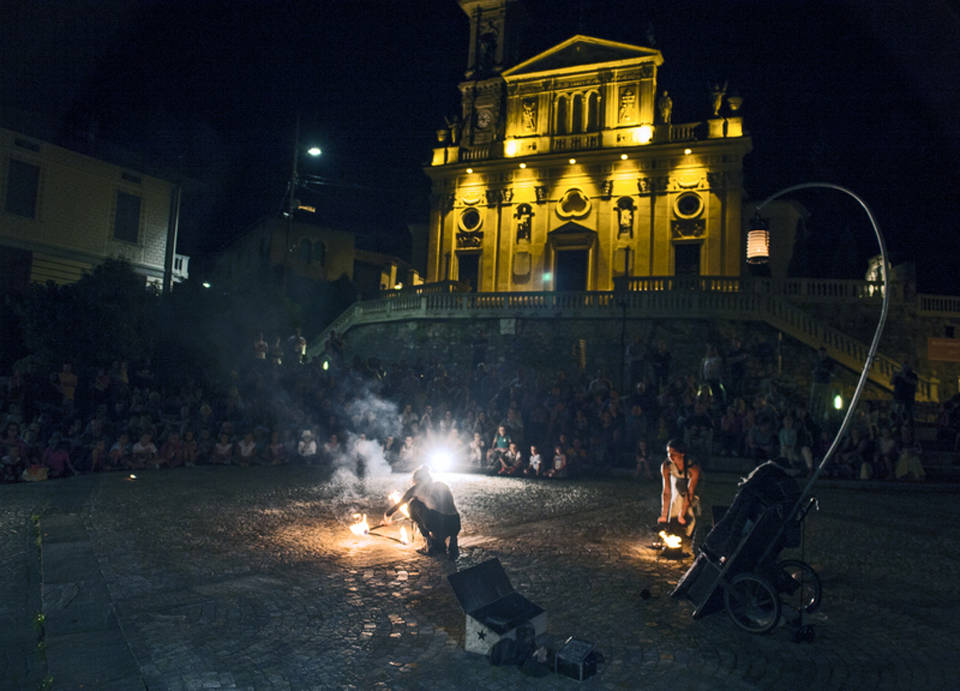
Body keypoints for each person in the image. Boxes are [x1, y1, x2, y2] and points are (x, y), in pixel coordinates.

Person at [385, 466, 460, 560]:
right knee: (431, 509)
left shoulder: (416, 489)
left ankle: (429, 544)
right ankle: (451, 543)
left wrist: (387, 516)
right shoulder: (442, 484)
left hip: (438, 525)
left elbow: (400, 504)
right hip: (455, 524)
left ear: (417, 480)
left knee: (413, 505)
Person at [658, 439, 700, 537]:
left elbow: (690, 492)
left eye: (674, 453)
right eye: (668, 453)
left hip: (692, 487)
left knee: (690, 511)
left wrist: (682, 514)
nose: (670, 456)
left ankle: (690, 532)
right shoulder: (666, 466)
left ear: (682, 454)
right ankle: (673, 528)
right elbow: (666, 491)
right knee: (675, 501)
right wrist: (664, 515)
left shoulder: (693, 467)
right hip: (676, 484)